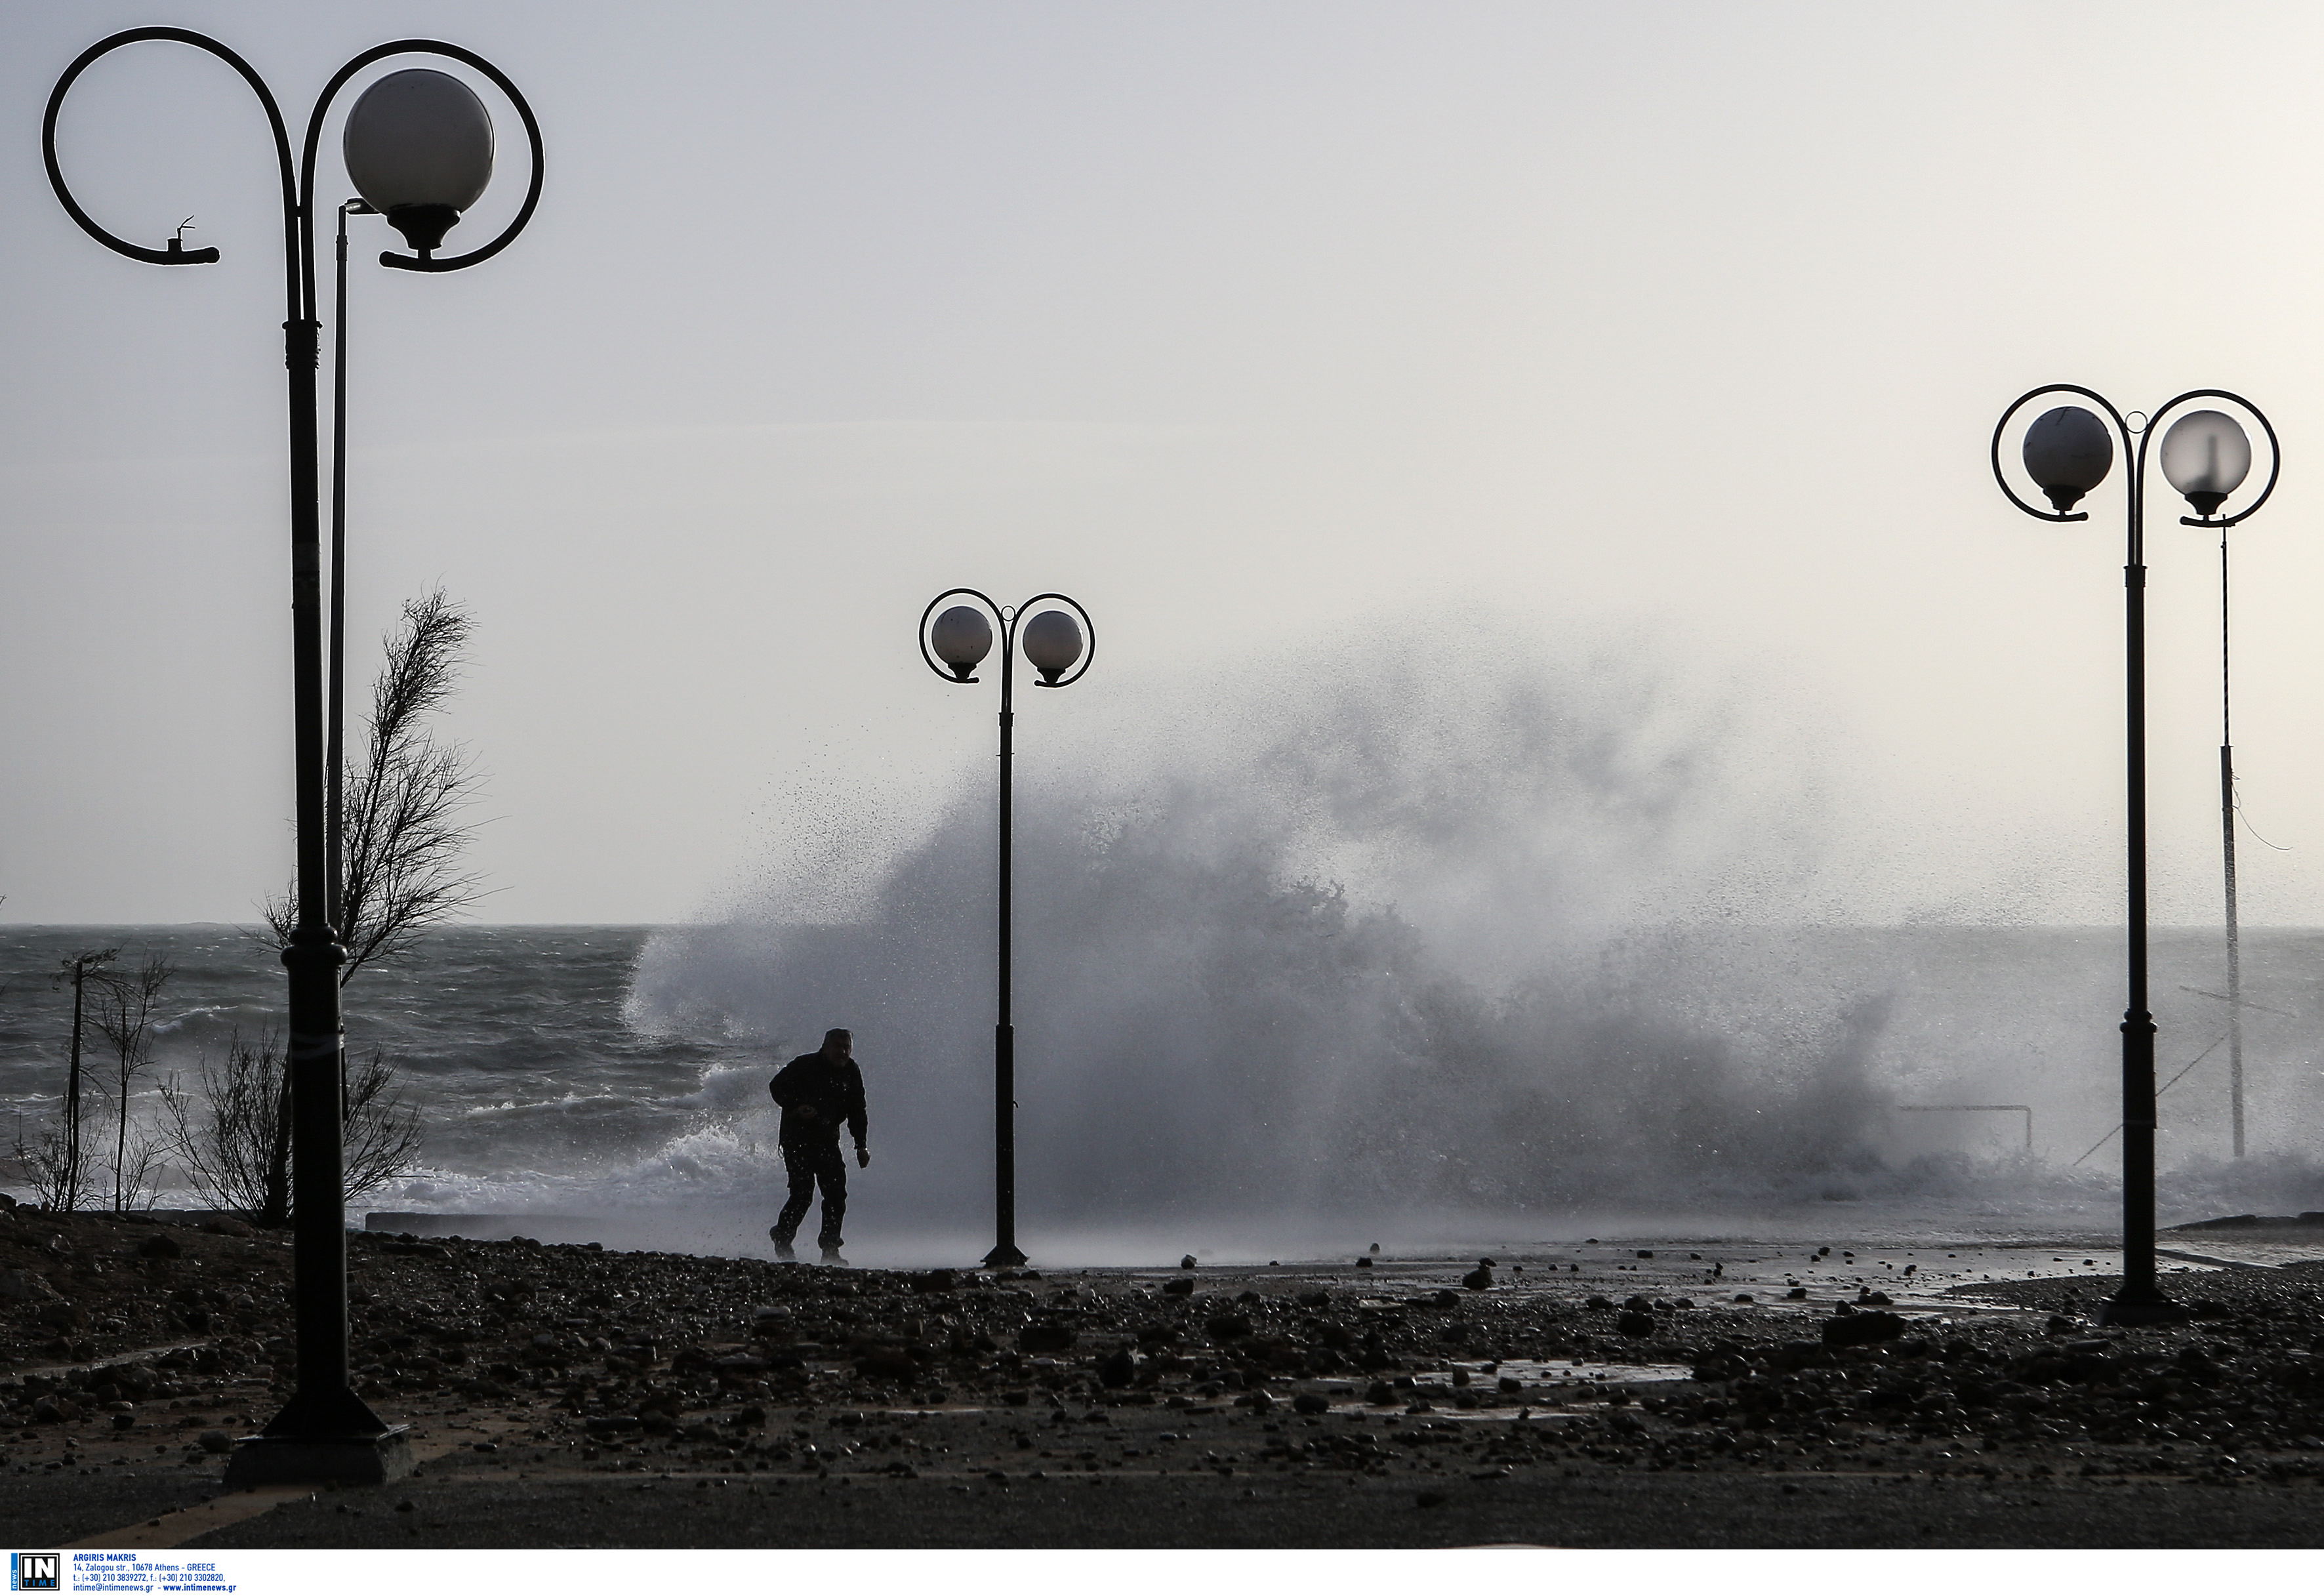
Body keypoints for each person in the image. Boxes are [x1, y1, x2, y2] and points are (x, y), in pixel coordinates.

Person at [767, 1028, 869, 1264]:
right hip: (797, 1139)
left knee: (835, 1194)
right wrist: (797, 1107)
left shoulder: (851, 1072)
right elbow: (776, 1087)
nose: (842, 1052)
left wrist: (861, 1145)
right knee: (803, 1194)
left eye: (846, 1047)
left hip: (826, 1139)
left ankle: (830, 1250)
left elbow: (857, 1110)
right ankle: (782, 1237)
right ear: (825, 1047)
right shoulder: (804, 1065)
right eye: (837, 1046)